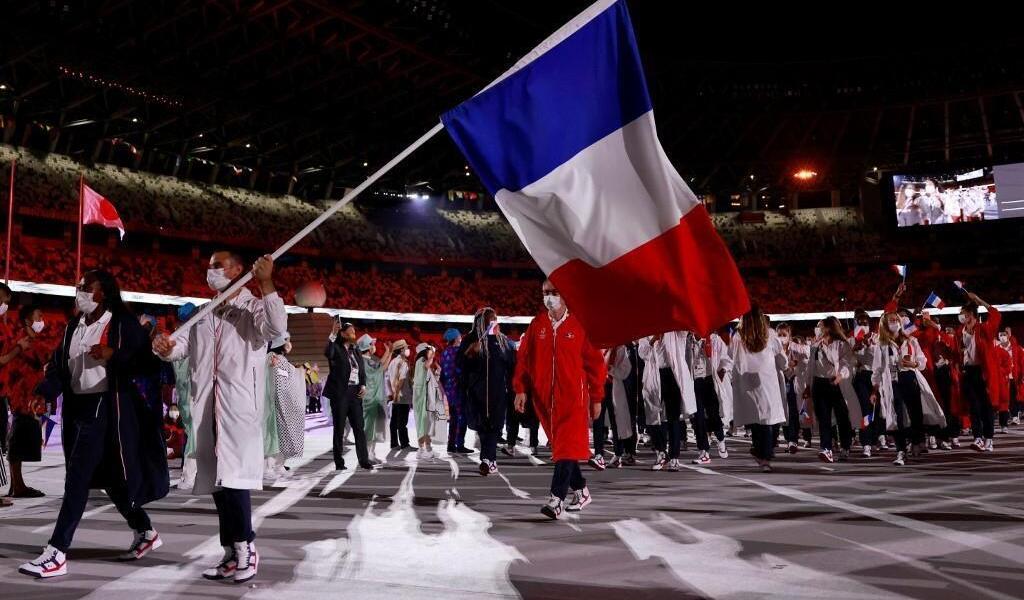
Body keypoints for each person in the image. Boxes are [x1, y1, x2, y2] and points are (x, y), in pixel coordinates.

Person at [20, 270, 169, 579]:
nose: (80, 291)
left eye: (87, 287)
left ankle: (57, 552)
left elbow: (147, 364)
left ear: (103, 293)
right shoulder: (75, 325)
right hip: (77, 408)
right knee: (111, 480)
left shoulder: (122, 323)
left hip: (108, 406)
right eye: (79, 287)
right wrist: (44, 393)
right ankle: (145, 531)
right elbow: (60, 366)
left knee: (77, 478)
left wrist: (114, 355)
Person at [153, 251, 285, 584]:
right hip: (207, 408)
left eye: (217, 266)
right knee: (217, 483)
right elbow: (179, 345)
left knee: (235, 480)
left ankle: (247, 548)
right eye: (209, 266)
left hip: (238, 409)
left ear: (239, 270)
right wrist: (165, 346)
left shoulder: (253, 308)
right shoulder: (203, 312)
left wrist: (267, 282)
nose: (210, 271)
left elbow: (275, 327)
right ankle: (230, 551)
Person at [513, 280, 605, 519]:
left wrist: (596, 397)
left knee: (565, 449)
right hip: (545, 400)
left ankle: (556, 500)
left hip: (573, 399)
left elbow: (595, 365)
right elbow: (524, 358)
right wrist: (520, 389)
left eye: (554, 293)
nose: (549, 298)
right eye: (545, 293)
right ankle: (582, 491)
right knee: (564, 449)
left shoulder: (579, 325)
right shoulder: (538, 324)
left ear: (565, 296)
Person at [2, 305, 58, 499]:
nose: (42, 318)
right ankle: (17, 485)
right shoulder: (22, 340)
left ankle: (17, 484)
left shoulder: (34, 340)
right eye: (39, 315)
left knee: (23, 436)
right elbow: (38, 359)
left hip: (32, 396)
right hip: (21, 394)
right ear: (27, 320)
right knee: (18, 436)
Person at [459, 308, 515, 474]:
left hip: (498, 392)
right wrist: (470, 353)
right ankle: (488, 459)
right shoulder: (471, 339)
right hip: (478, 392)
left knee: (495, 426)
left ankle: (487, 459)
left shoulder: (503, 341)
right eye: (490, 319)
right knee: (483, 426)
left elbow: (512, 365)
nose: (493, 322)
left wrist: (515, 390)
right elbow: (460, 365)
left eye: (495, 319)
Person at [731, 306, 787, 472]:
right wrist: (783, 366)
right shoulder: (770, 334)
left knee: (755, 418)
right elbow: (782, 359)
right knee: (768, 420)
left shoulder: (738, 336)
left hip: (748, 381)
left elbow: (732, 357)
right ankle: (765, 456)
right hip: (767, 381)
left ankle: (759, 451)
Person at [871, 312, 929, 466]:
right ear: (884, 324)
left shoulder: (911, 340)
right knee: (896, 416)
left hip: (909, 378)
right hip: (892, 382)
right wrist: (874, 389)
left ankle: (916, 441)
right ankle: (901, 450)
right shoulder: (881, 344)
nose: (895, 322)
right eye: (891, 320)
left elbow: (922, 360)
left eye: (897, 319)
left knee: (915, 413)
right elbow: (877, 368)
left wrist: (914, 364)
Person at [323, 321, 373, 471]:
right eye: (350, 332)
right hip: (340, 393)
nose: (353, 334)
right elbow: (328, 353)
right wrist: (332, 334)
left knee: (359, 427)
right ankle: (339, 461)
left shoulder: (355, 350)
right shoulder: (336, 348)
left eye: (354, 332)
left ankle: (364, 460)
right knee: (339, 429)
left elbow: (361, 369)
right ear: (343, 334)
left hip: (355, 393)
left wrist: (363, 384)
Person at [955, 293, 1000, 452]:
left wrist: (979, 300)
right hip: (968, 373)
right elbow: (958, 354)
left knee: (986, 406)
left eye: (966, 315)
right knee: (973, 406)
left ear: (974, 317)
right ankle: (978, 438)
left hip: (982, 373)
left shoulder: (984, 330)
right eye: (962, 315)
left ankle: (989, 438)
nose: (963, 318)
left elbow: (995, 314)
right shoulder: (960, 332)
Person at [806, 316, 855, 463]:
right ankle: (826, 448)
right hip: (819, 384)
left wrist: (840, 376)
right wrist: (808, 386)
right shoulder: (815, 346)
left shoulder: (841, 344)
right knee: (824, 419)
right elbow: (811, 368)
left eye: (820, 326)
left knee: (842, 417)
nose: (818, 329)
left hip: (836, 383)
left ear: (828, 328)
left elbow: (848, 363)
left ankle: (845, 446)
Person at [265, 333, 307, 480]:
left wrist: (303, 371)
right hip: (273, 404)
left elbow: (292, 376)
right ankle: (268, 467)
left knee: (283, 435)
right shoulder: (271, 358)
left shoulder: (283, 360)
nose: (289, 344)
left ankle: (279, 465)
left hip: (285, 404)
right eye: (287, 340)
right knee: (272, 436)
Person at [172, 302, 198, 489]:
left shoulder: (177, 336)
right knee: (196, 436)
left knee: (192, 434)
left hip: (185, 394)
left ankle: (190, 473)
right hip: (193, 393)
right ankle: (189, 475)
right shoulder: (191, 337)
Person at [849, 310, 879, 457]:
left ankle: (876, 439)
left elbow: (878, 359)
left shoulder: (876, 338)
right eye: (859, 323)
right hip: (860, 376)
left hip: (875, 377)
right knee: (864, 410)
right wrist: (853, 352)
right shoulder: (851, 340)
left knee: (877, 411)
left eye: (865, 323)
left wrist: (869, 346)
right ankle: (866, 443)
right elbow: (846, 361)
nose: (862, 326)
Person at [359, 334, 392, 463]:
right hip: (369, 400)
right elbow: (381, 367)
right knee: (369, 429)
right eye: (372, 344)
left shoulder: (368, 360)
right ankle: (367, 455)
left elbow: (380, 366)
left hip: (373, 399)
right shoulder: (364, 361)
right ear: (367, 346)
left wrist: (389, 353)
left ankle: (371, 454)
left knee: (374, 429)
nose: (374, 347)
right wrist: (388, 352)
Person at [412, 342, 446, 460]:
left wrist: (438, 371)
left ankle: (429, 449)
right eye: (429, 350)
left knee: (428, 425)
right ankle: (421, 450)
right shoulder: (420, 361)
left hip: (428, 399)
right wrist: (432, 355)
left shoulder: (424, 363)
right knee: (422, 424)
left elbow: (432, 381)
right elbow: (426, 366)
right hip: (422, 399)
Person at [439, 328, 470, 454]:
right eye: (459, 336)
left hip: (449, 390)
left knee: (453, 418)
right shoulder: (459, 351)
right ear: (456, 338)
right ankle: (460, 444)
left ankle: (451, 444)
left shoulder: (444, 353)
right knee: (462, 417)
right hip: (459, 388)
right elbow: (462, 370)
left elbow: (443, 375)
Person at [386, 339, 413, 450]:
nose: (407, 350)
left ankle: (394, 443)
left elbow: (387, 379)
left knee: (394, 421)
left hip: (395, 395)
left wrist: (392, 393)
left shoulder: (392, 362)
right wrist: (397, 392)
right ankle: (405, 444)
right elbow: (401, 380)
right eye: (406, 348)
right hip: (402, 396)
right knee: (402, 421)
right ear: (401, 350)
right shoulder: (403, 363)